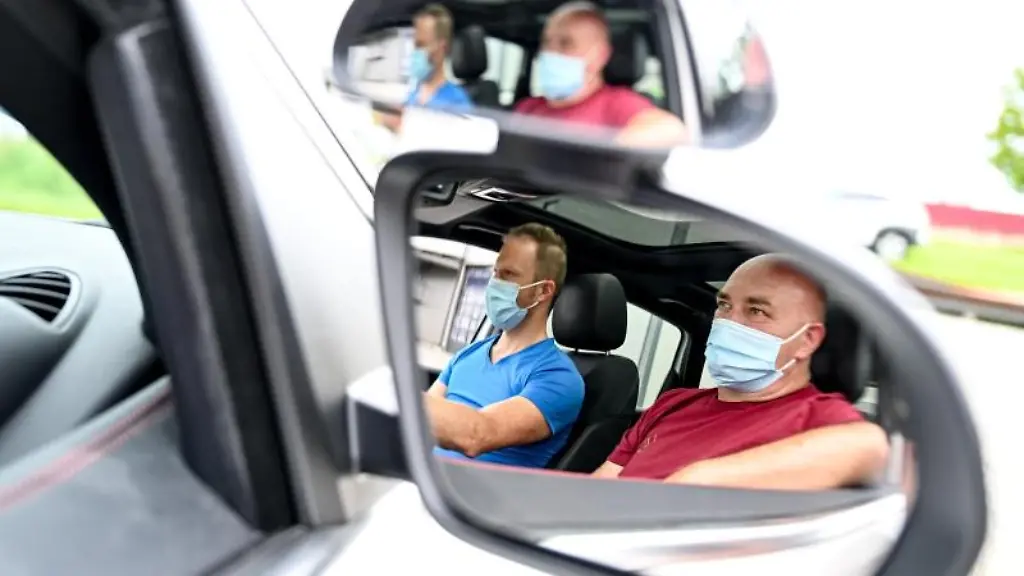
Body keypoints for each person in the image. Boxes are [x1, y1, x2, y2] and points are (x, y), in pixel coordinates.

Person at [592, 254, 890, 490]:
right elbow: (600, 489)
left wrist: (696, 480)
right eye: (724, 305)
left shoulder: (819, 418)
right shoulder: (673, 403)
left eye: (756, 311)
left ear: (807, 340)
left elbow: (870, 447)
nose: (728, 323)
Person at [425, 223, 585, 468]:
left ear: (543, 290)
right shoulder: (470, 353)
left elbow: (476, 434)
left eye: (508, 274)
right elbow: (419, 421)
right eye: (495, 272)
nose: (494, 284)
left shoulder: (560, 378)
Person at [515, 1, 689, 148]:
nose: (550, 52)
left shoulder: (617, 103)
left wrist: (601, 160)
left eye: (566, 43)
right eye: (546, 42)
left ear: (600, 56)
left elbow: (671, 130)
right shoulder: (528, 107)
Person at [376, 4, 472, 132]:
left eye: (421, 45)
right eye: (415, 45)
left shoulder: (458, 101)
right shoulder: (414, 94)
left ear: (441, 47)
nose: (415, 52)